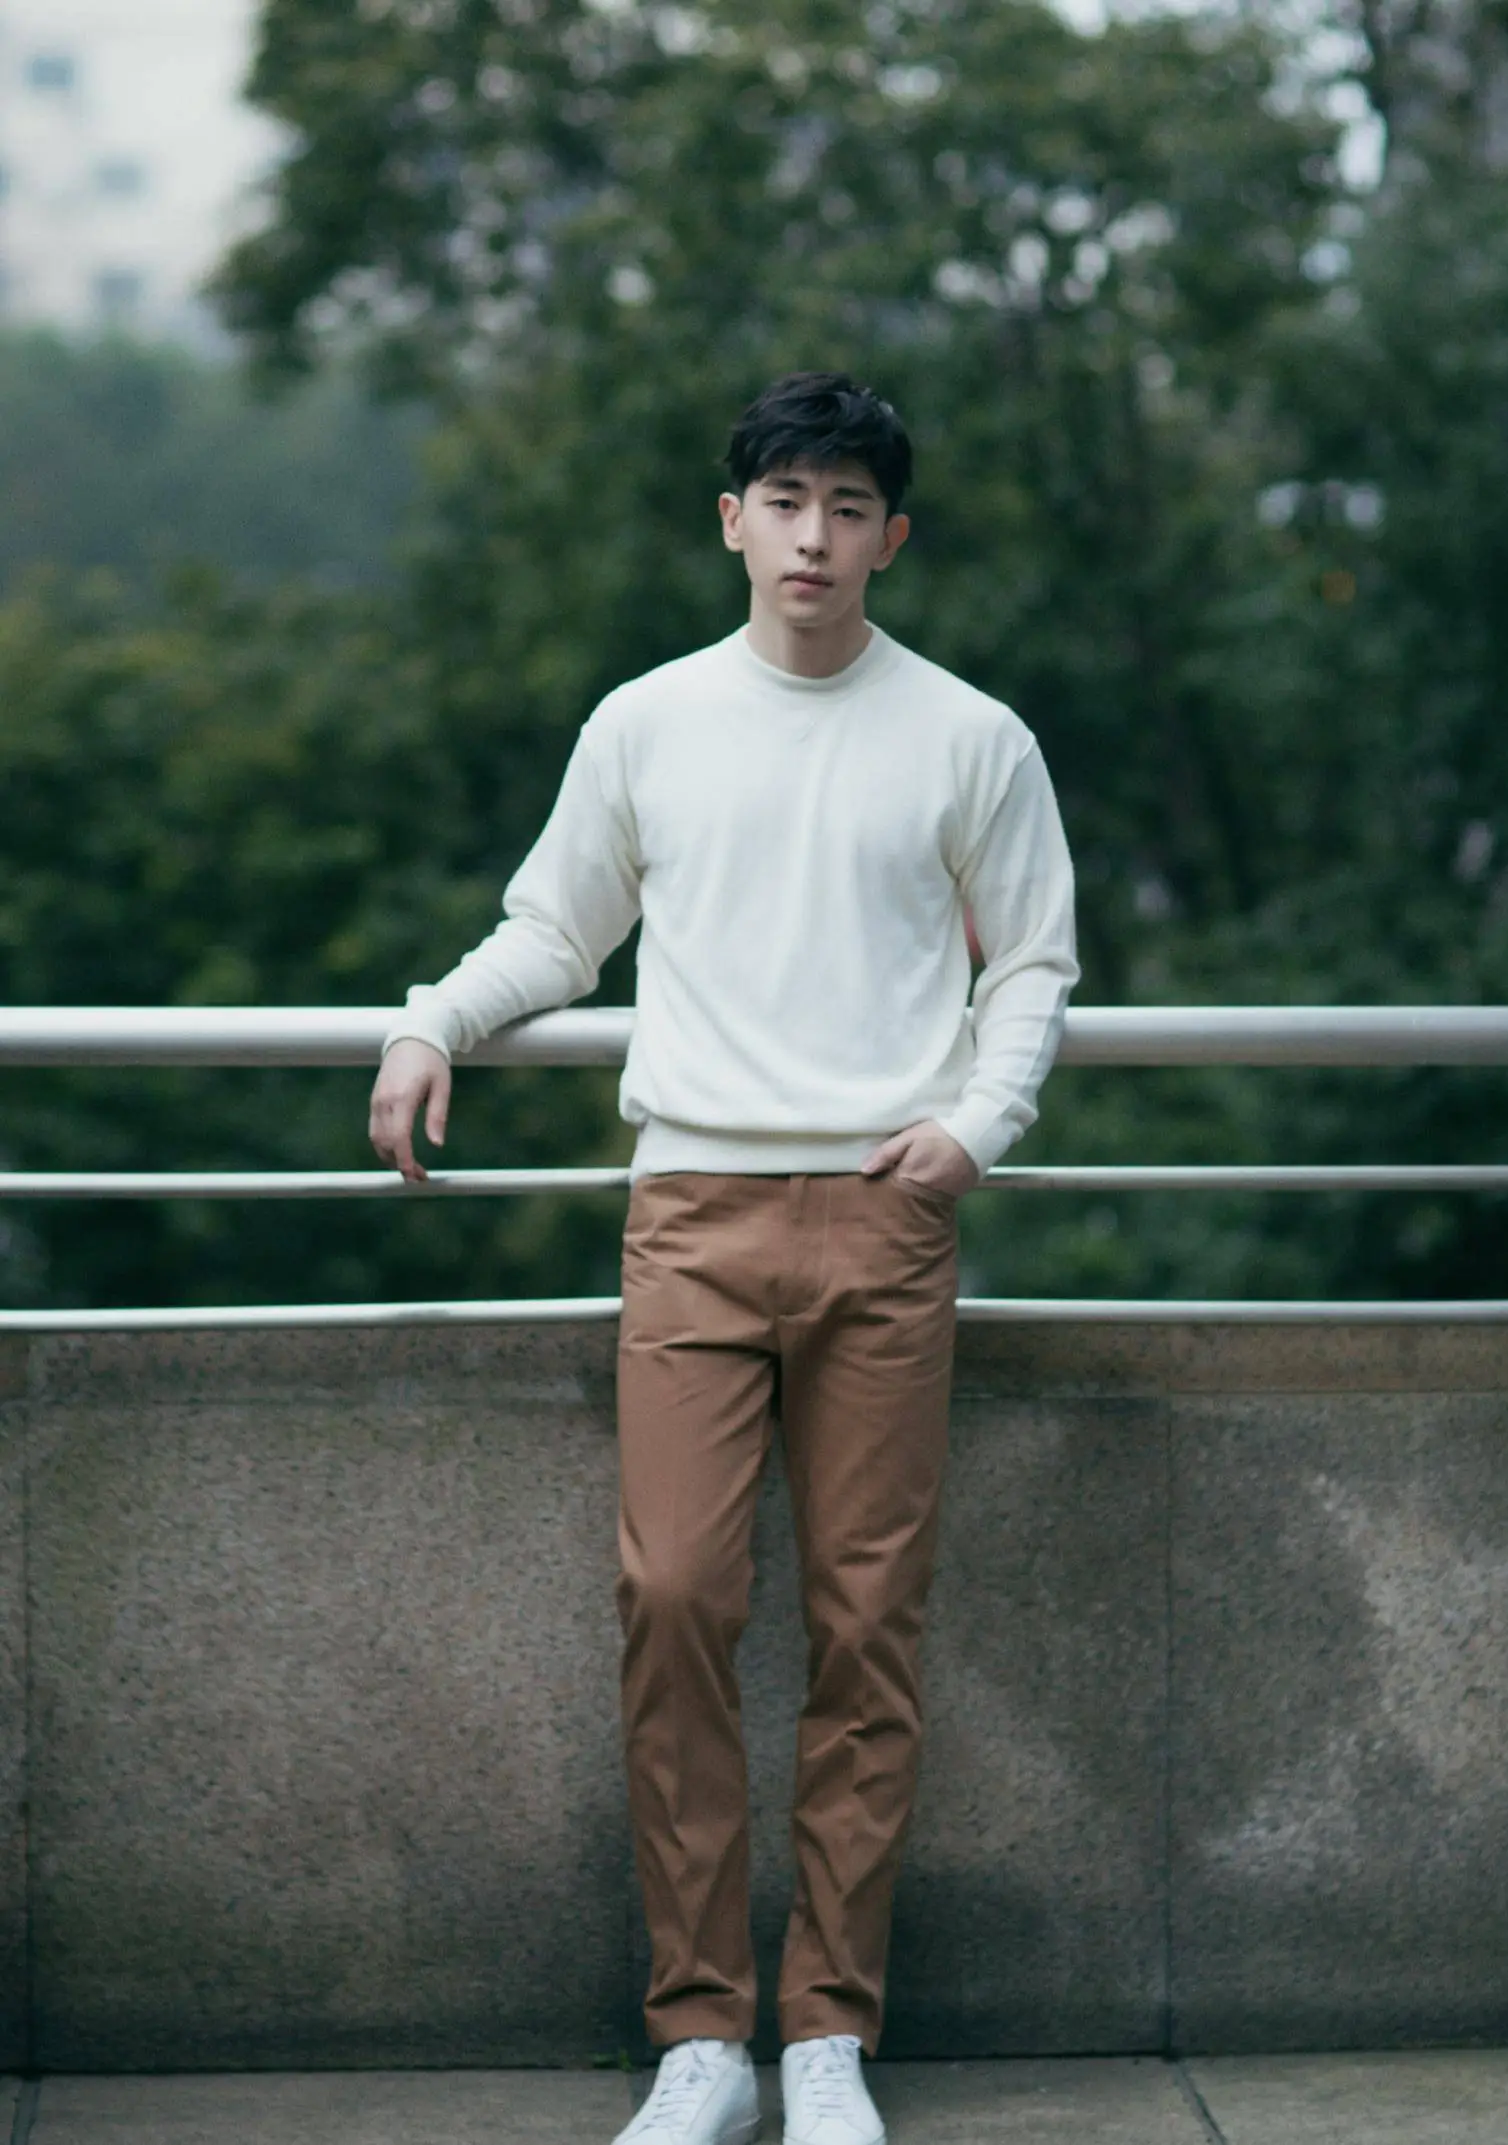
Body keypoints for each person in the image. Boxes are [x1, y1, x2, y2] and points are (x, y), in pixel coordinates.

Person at [369, 372, 1080, 2145]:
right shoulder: (649, 723)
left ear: (890, 538)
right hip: (691, 1208)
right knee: (676, 1595)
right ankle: (701, 2035)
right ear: (731, 523)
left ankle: (826, 2031)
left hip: (885, 1215)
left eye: (846, 508)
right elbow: (559, 927)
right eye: (783, 502)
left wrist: (974, 1130)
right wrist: (432, 1022)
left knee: (866, 1627)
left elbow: (1030, 963)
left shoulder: (971, 737)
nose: (811, 538)